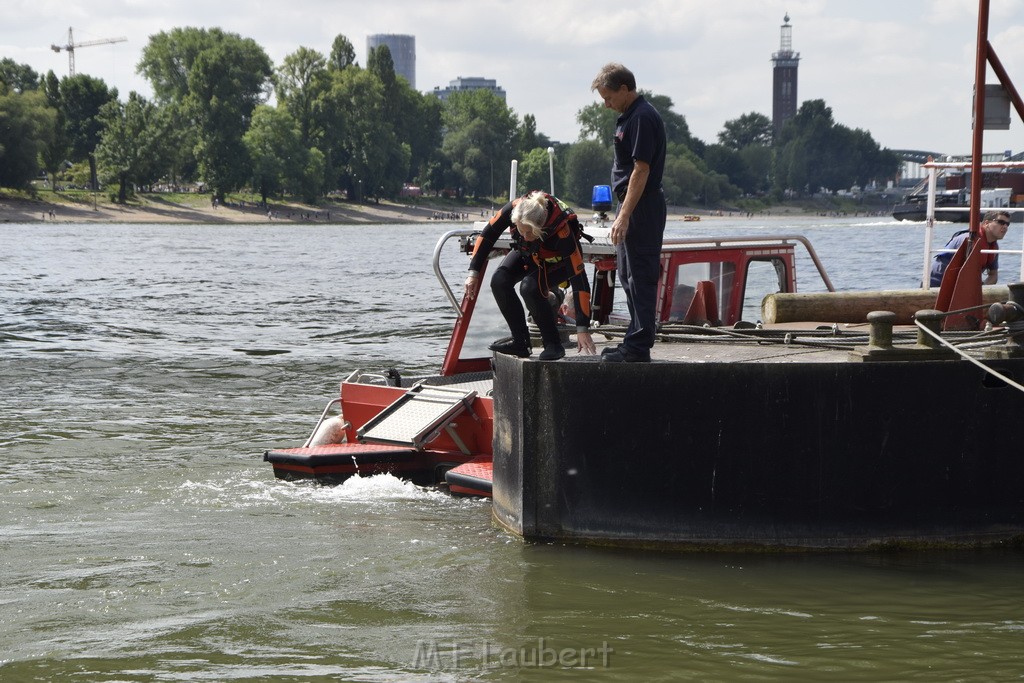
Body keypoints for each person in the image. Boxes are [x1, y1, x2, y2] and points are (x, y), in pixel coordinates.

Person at [591, 63, 667, 363]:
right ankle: (633, 339)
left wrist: (624, 215)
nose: (606, 104)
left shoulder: (643, 117)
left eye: (609, 97)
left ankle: (639, 346)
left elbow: (642, 168)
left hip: (642, 206)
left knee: (641, 275)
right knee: (626, 274)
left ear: (625, 89)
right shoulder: (629, 117)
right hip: (631, 204)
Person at [464, 191, 596, 361]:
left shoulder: (563, 234)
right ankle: (521, 343)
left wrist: (582, 329)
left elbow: (580, 282)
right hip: (531, 253)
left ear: (541, 228)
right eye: (521, 231)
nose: (524, 236)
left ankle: (553, 345)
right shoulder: (514, 209)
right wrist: (473, 272)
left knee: (529, 288)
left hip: (558, 262)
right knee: (499, 281)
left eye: (528, 232)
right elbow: (487, 235)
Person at [930, 210, 1011, 287]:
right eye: (1001, 222)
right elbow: (964, 273)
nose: (1005, 227)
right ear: (987, 223)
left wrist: (983, 287)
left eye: (1007, 224)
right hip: (938, 284)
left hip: (962, 287)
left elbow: (993, 275)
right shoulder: (967, 240)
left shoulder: (993, 247)